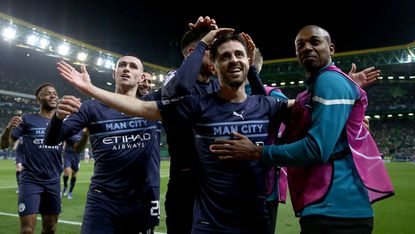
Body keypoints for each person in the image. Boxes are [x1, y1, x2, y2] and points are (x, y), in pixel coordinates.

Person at [56, 30, 289, 234]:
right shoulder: (197, 105)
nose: (233, 60)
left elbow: (311, 131)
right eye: (223, 55)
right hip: (202, 211)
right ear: (213, 64)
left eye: (239, 55)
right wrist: (90, 89)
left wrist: (262, 152)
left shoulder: (265, 105)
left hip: (254, 218)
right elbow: (145, 106)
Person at [209, 25, 394, 234]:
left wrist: (255, 152)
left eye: (314, 42)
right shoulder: (314, 89)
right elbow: (269, 109)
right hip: (324, 208)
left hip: (338, 210)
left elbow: (317, 149)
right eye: (300, 45)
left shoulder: (330, 81)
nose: (306, 48)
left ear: (331, 48)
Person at [160, 17, 267, 234]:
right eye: (212, 49)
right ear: (194, 53)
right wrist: (202, 42)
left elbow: (261, 105)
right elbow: (180, 85)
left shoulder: (218, 86)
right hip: (186, 183)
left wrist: (252, 67)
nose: (218, 55)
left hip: (217, 184)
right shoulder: (175, 79)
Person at [45, 54, 161, 234]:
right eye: (122, 65)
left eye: (132, 66)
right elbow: (51, 139)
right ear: (114, 74)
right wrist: (57, 118)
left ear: (141, 77)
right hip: (102, 200)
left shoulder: (153, 106)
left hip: (141, 200)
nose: (126, 68)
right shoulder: (92, 107)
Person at [0, 83, 63, 234]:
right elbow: (4, 145)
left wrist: (85, 134)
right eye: (47, 93)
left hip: (53, 181)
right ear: (37, 99)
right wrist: (8, 129)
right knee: (27, 230)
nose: (53, 95)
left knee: (51, 229)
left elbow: (77, 148)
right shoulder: (27, 119)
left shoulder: (63, 122)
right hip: (30, 181)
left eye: (55, 93)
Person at [61, 128, 89, 199]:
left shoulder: (82, 130)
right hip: (68, 153)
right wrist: (79, 139)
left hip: (76, 155)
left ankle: (70, 191)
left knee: (74, 174)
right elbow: (71, 139)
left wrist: (82, 140)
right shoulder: (69, 128)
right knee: (67, 171)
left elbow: (83, 141)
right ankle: (65, 187)